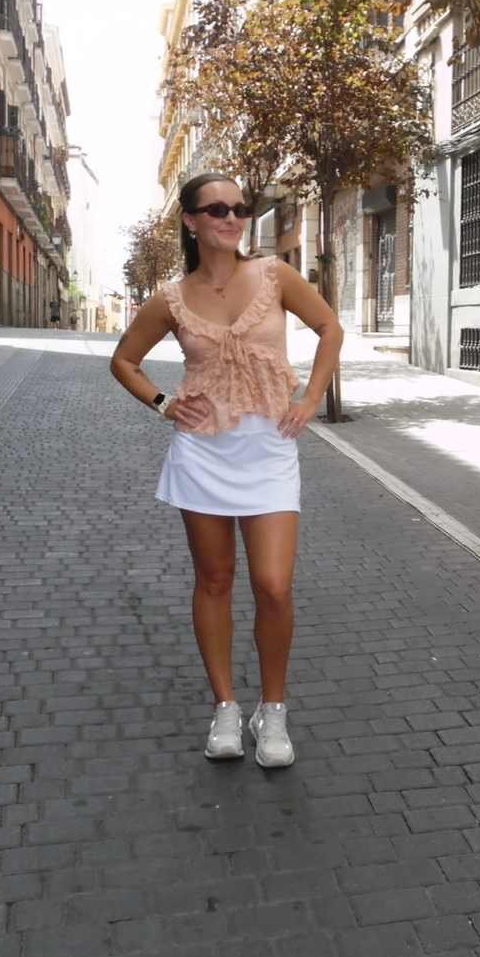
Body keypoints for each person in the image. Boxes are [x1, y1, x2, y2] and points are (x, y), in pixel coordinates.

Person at [110, 173, 344, 767]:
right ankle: (226, 708)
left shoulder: (273, 275)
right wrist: (164, 404)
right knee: (214, 582)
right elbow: (124, 360)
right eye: (217, 209)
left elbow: (328, 328)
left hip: (268, 451)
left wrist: (310, 397)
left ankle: (273, 712)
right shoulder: (171, 297)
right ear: (189, 220)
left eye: (241, 208)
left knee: (273, 585)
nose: (232, 217)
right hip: (202, 453)